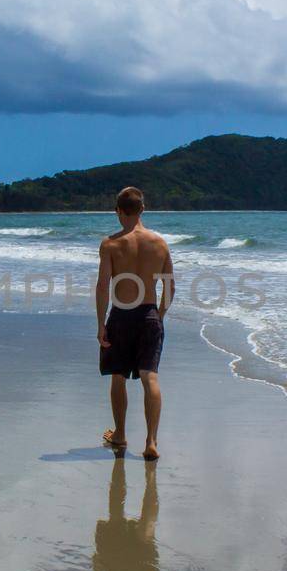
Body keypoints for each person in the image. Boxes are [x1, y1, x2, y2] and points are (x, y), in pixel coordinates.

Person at [96, 186, 172, 460]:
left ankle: (120, 434)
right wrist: (158, 316)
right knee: (149, 376)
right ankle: (151, 442)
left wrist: (100, 324)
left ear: (118, 211)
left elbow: (103, 286)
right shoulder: (160, 243)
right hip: (149, 315)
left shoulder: (111, 244)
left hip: (121, 314)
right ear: (143, 209)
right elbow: (170, 287)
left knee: (118, 377)